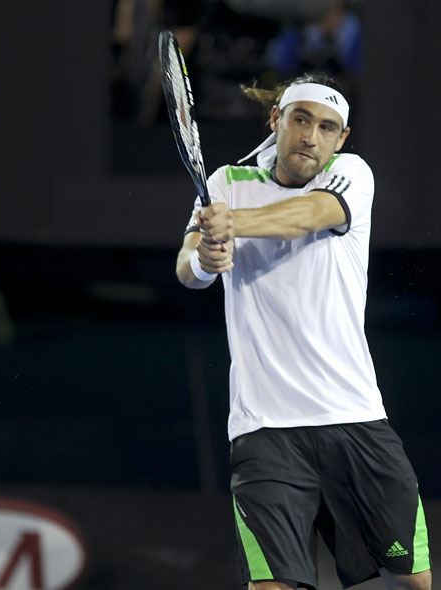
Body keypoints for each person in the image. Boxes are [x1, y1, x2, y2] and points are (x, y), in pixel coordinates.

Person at [175, 72, 432, 589]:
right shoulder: (227, 183)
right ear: (276, 120)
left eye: (326, 127)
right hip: (263, 428)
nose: (311, 136)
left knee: (412, 582)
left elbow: (310, 215)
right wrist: (205, 259)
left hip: (353, 416)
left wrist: (234, 224)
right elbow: (188, 267)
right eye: (300, 119)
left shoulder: (352, 174)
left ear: (342, 138)